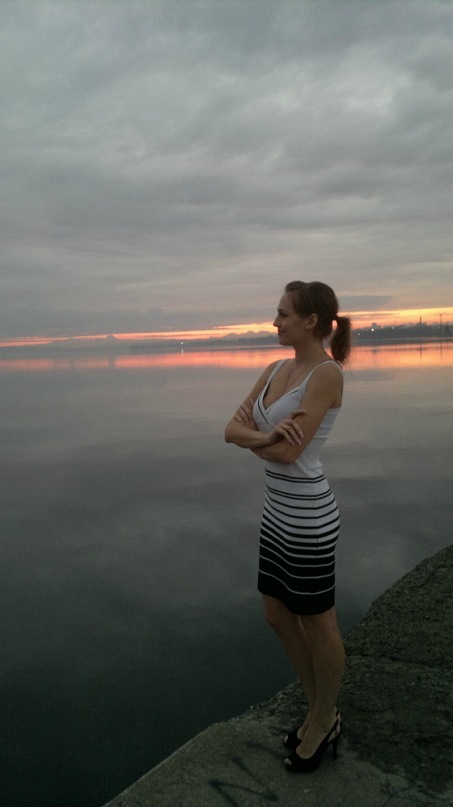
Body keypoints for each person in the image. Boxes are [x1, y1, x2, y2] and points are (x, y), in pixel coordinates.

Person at [224, 280, 352, 774]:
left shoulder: (326, 375)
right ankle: (320, 706)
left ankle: (322, 719)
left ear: (311, 321)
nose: (274, 322)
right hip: (276, 513)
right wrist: (263, 436)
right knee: (277, 615)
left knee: (318, 623)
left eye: (283, 314)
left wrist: (256, 439)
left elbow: (289, 451)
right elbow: (229, 429)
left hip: (308, 519)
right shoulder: (276, 369)